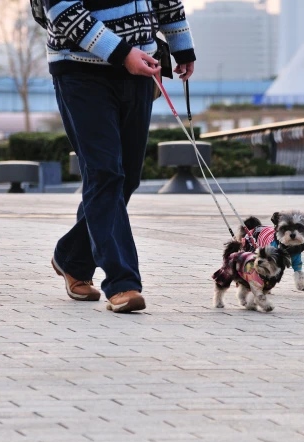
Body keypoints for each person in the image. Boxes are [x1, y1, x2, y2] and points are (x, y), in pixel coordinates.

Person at [45, 0, 195, 313]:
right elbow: (61, 10)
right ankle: (122, 282)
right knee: (104, 174)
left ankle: (72, 258)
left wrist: (182, 46)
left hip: (141, 69)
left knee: (126, 177)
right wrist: (122, 52)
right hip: (80, 72)